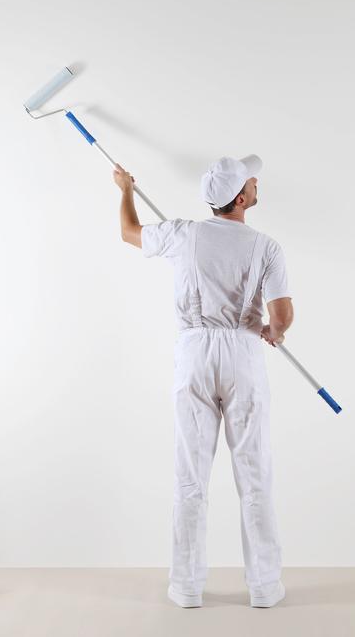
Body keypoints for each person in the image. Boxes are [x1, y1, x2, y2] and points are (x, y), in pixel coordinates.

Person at [112, 155, 293, 609]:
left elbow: (129, 232)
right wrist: (274, 332)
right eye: (250, 181)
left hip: (194, 354)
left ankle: (187, 587)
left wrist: (125, 190)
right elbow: (282, 315)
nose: (255, 182)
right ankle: (264, 587)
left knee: (190, 474)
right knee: (254, 473)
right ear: (240, 199)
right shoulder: (266, 247)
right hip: (243, 353)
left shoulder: (182, 234)